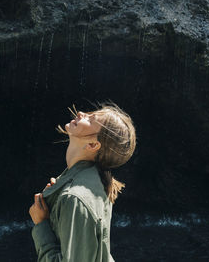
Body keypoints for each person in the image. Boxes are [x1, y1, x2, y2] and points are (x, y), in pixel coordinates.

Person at [29, 100, 137, 262]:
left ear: (93, 144)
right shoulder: (95, 177)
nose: (81, 114)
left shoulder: (74, 198)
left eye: (91, 119)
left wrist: (41, 224)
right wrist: (56, 200)